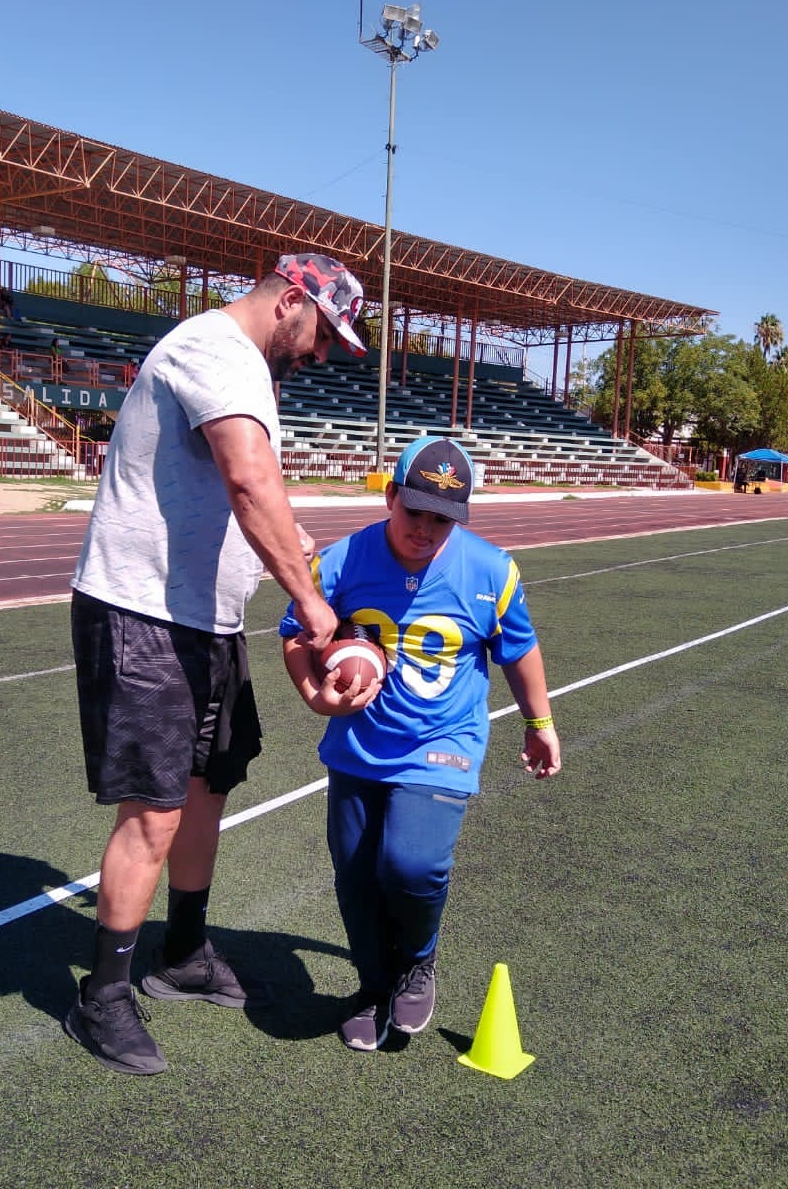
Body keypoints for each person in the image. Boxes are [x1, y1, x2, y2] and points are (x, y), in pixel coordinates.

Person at [63, 252, 367, 1075]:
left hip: (206, 620)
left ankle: (183, 952)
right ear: (292, 302)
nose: (322, 354)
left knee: (207, 789)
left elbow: (255, 501)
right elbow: (248, 481)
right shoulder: (215, 350)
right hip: (144, 612)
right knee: (154, 811)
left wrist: (313, 566)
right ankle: (103, 994)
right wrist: (312, 607)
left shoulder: (245, 368)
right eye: (325, 335)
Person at [280, 437, 561, 1052]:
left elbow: (518, 650)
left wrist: (539, 725)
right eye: (415, 513)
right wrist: (314, 695)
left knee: (410, 862)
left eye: (443, 519)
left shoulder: (492, 570)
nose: (426, 530)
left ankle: (418, 960)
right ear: (390, 499)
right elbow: (295, 633)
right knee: (355, 875)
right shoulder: (344, 561)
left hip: (443, 738)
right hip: (358, 743)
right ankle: (373, 987)